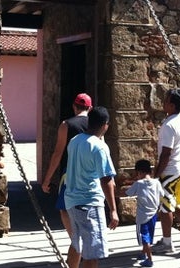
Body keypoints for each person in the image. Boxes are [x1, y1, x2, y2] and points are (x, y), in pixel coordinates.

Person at [64, 106, 119, 268]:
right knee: (93, 254)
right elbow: (106, 179)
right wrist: (113, 209)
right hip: (90, 204)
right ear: (105, 125)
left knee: (77, 244)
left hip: (72, 201)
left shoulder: (74, 141)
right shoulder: (99, 147)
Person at [151, 88, 180, 253]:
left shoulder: (168, 125)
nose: (163, 102)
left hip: (170, 170)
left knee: (166, 207)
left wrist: (156, 174)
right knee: (179, 203)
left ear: (172, 106)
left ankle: (167, 242)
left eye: (166, 100)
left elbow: (166, 153)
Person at [41, 93, 92, 238]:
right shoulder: (95, 126)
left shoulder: (66, 125)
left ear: (74, 107)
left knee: (64, 208)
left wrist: (47, 180)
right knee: (89, 206)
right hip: (90, 173)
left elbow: (58, 153)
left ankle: (75, 240)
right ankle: (86, 240)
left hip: (70, 173)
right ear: (90, 108)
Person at [126, 159, 174, 267]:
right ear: (150, 171)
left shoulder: (138, 184)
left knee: (144, 238)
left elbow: (127, 193)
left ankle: (149, 259)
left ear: (139, 172)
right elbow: (162, 194)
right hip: (153, 215)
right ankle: (143, 253)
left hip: (142, 217)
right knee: (148, 236)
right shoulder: (156, 182)